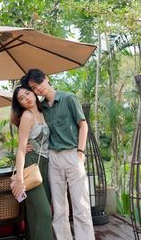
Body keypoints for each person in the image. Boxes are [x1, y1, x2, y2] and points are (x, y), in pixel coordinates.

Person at [21, 69, 95, 240]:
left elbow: (83, 125)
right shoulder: (42, 108)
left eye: (38, 83)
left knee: (80, 206)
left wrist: (80, 153)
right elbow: (36, 130)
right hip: (53, 158)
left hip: (72, 155)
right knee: (59, 208)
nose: (37, 88)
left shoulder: (69, 98)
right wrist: (25, 146)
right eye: (33, 87)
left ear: (46, 79)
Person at [10, 85, 54, 240]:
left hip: (44, 165)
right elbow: (21, 149)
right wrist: (20, 178)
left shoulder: (44, 112)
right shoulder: (27, 116)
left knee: (37, 213)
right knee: (44, 212)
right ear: (20, 104)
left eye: (27, 93)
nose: (26, 98)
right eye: (21, 98)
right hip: (31, 163)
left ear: (33, 93)